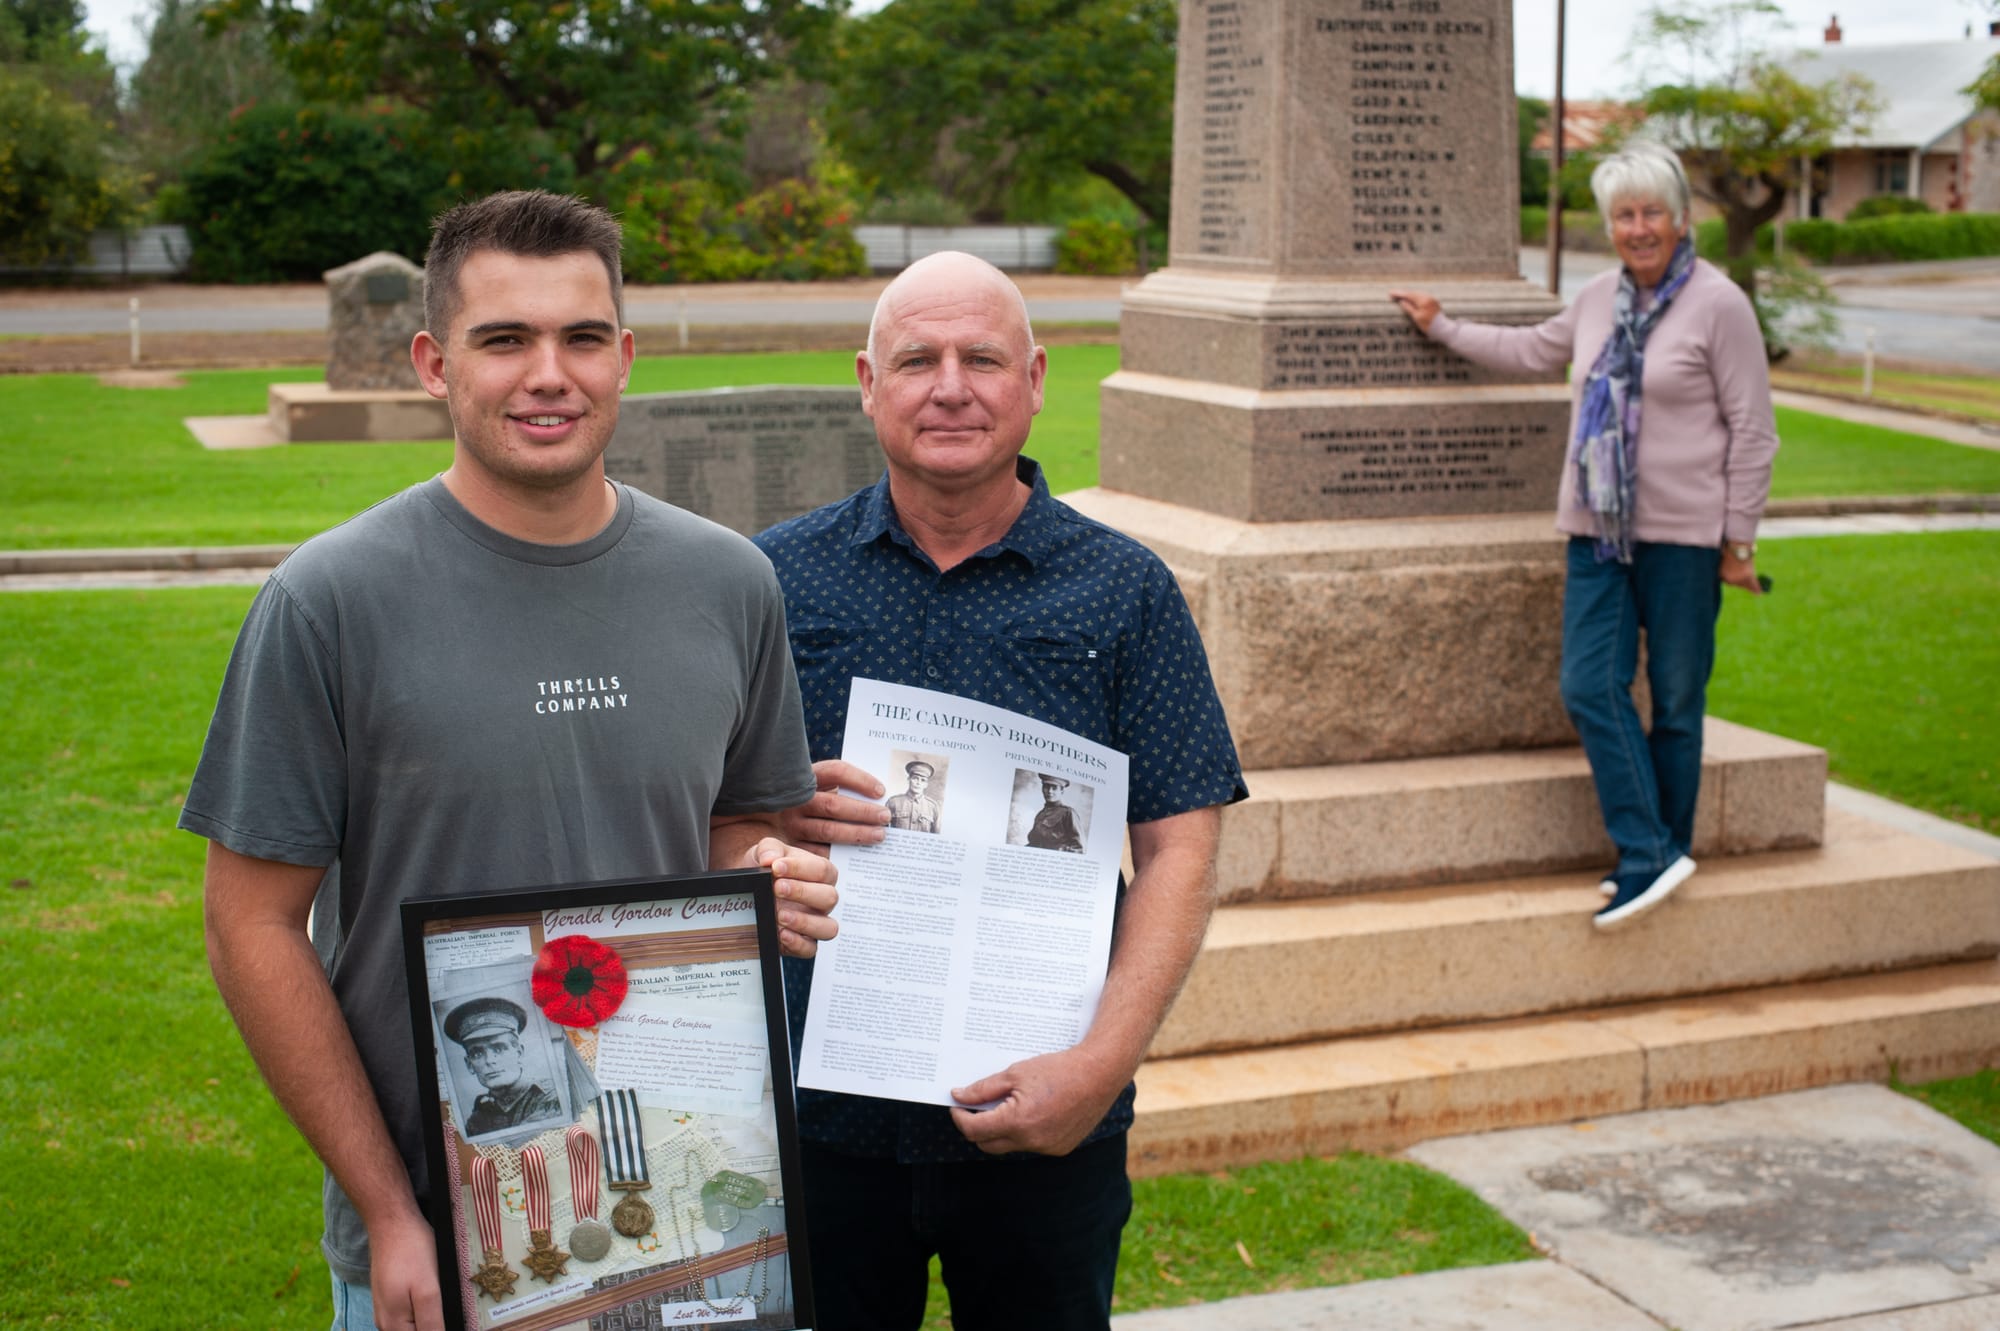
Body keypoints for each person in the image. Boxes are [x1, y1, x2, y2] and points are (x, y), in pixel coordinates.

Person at [180, 190, 838, 1331]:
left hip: (676, 1205)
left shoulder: (729, 582)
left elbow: (741, 821)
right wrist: (388, 1210)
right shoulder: (328, 601)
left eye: (582, 337)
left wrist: (767, 864)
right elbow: (250, 925)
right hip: (440, 1228)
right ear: (435, 363)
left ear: (624, 356)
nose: (550, 373)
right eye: (504, 339)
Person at [753, 250, 1248, 1331]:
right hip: (814, 1107)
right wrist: (767, 820)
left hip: (1047, 1112)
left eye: (980, 357)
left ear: (1031, 379)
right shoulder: (771, 578)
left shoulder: (1124, 590)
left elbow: (1179, 845)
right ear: (866, 382)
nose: (949, 385)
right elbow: (694, 816)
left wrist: (1101, 1065)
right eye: (916, 358)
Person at [1389, 141, 1778, 932]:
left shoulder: (1720, 303)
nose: (1638, 227)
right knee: (1587, 684)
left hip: (1684, 538)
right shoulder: (1599, 297)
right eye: (1624, 215)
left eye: (1651, 213)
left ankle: (1656, 856)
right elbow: (1533, 348)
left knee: (1674, 700)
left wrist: (1738, 541)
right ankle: (1652, 849)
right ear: (1611, 226)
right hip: (1597, 532)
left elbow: (1754, 430)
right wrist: (1444, 327)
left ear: (1680, 219)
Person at [441, 998, 562, 1135]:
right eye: (477, 1053)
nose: (489, 1060)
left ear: (519, 1053)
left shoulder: (551, 1097)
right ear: (469, 1065)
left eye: (499, 1049)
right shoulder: (479, 1115)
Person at [1027, 774, 1085, 853]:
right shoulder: (1040, 815)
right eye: (1046, 786)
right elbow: (1033, 844)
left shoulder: (1068, 813)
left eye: (1054, 788)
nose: (1050, 791)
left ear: (1062, 791)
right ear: (1042, 789)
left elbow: (1079, 849)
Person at [884, 759, 941, 832]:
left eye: (923, 780)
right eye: (915, 778)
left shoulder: (933, 807)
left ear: (926, 785)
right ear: (909, 779)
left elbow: (936, 835)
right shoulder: (893, 802)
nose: (918, 783)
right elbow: (883, 829)